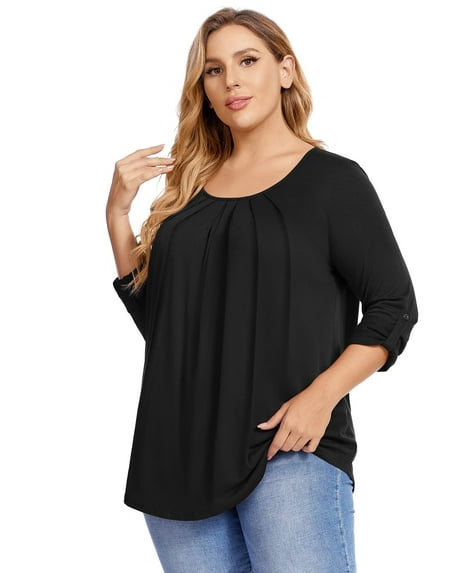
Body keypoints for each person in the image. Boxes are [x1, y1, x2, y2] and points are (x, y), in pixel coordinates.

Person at [106, 7, 418, 573]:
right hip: (176, 457)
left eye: (248, 61)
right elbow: (165, 325)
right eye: (214, 69)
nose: (231, 80)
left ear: (285, 71)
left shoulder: (333, 181)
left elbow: (394, 306)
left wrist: (319, 399)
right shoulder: (188, 195)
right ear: (203, 88)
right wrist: (117, 216)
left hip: (288, 449)